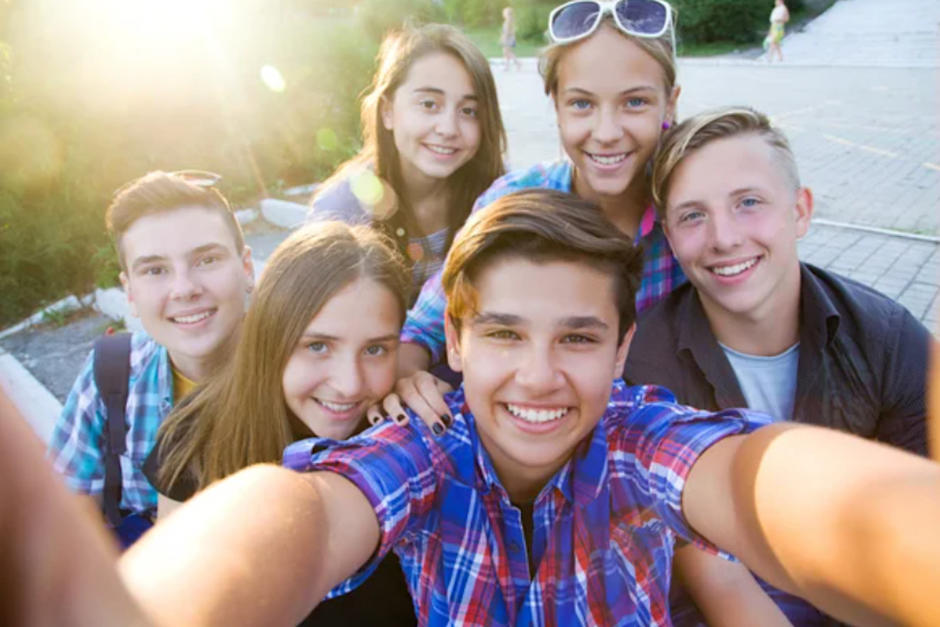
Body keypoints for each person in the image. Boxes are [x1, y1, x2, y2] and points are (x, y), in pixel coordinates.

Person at [114, 189, 940, 627]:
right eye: (506, 334)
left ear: (622, 351)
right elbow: (312, 512)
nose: (539, 378)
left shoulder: (636, 436)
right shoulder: (423, 446)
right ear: (457, 342)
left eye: (578, 339)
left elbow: (752, 477)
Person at [625, 106, 932, 625]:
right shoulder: (643, 364)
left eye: (749, 203)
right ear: (672, 240)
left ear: (801, 210)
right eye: (693, 215)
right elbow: (707, 576)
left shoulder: (888, 338)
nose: (724, 237)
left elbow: (922, 526)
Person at [393, 0, 685, 421]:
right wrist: (408, 376)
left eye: (635, 103)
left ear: (670, 103)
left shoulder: (692, 209)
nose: (606, 133)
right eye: (582, 104)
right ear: (555, 104)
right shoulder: (515, 198)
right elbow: (425, 326)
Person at [144, 221, 416, 626]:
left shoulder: (406, 432)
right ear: (271, 335)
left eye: (375, 349)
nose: (349, 384)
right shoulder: (197, 435)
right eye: (318, 346)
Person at [47, 171, 254, 533]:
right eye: (155, 270)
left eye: (206, 260)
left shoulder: (309, 375)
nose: (184, 289)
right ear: (129, 291)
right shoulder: (111, 377)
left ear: (247, 268)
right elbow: (63, 528)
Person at [308, 23, 506, 296]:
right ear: (387, 112)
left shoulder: (499, 197)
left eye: (469, 110)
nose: (448, 128)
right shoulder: (341, 211)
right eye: (429, 104)